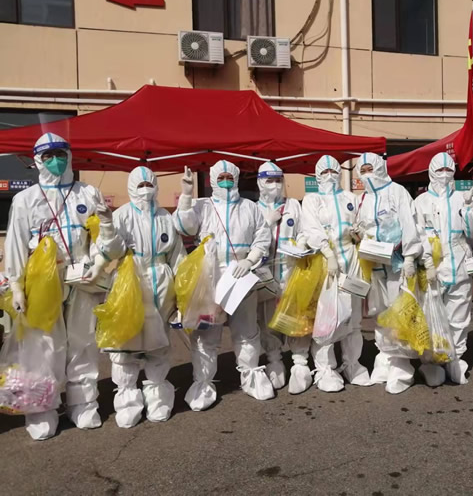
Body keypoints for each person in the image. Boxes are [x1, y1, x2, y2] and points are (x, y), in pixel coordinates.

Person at [6, 132, 114, 440]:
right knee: (44, 347)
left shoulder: (88, 193)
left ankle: (83, 404)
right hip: (43, 283)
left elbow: (102, 237)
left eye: (61, 154)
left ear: (70, 156)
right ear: (37, 160)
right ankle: (42, 409)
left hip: (82, 280)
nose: (56, 161)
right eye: (48, 155)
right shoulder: (25, 200)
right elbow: (15, 243)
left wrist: (99, 263)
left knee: (83, 343)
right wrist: (16, 284)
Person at [174, 161, 274, 409]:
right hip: (210, 277)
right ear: (212, 179)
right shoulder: (202, 205)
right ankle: (203, 384)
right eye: (222, 177)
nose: (226, 181)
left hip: (242, 276)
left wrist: (250, 260)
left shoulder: (249, 207)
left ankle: (251, 377)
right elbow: (184, 226)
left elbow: (262, 237)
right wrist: (186, 195)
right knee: (206, 333)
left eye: (230, 177)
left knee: (247, 330)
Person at [98, 167, 185, 428]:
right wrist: (106, 225)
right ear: (131, 187)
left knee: (159, 344)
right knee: (126, 346)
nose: (146, 189)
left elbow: (178, 256)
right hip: (130, 282)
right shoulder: (122, 215)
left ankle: (158, 399)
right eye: (140, 185)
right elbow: (111, 253)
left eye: (150, 184)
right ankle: (128, 402)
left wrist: (182, 293)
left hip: (161, 281)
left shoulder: (165, 217)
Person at [300, 155, 371, 392]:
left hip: (352, 260)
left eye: (334, 171)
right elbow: (311, 229)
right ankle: (325, 369)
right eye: (325, 172)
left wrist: (359, 234)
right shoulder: (312, 200)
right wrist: (328, 253)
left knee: (353, 316)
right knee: (327, 318)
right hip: (326, 262)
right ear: (317, 175)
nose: (330, 176)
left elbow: (361, 224)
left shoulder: (350, 198)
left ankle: (352, 363)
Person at [354, 152, 422, 394]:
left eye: (370, 168)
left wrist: (410, 256)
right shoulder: (363, 198)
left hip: (397, 265)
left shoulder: (397, 192)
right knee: (380, 313)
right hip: (374, 264)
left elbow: (410, 225)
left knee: (399, 313)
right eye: (362, 170)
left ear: (381, 167)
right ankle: (385, 358)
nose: (367, 174)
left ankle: (402, 367)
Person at [414, 153, 473, 386]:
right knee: (431, 316)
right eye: (439, 170)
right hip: (432, 268)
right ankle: (430, 362)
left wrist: (471, 209)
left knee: (459, 316)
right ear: (431, 172)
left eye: (449, 170)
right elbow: (417, 235)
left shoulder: (462, 199)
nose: (444, 175)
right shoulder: (421, 202)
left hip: (459, 264)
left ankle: (455, 357)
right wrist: (427, 261)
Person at [255, 161, 312, 394]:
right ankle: (274, 360)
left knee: (296, 320)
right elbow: (250, 241)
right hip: (265, 276)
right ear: (260, 182)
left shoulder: (293, 205)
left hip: (292, 273)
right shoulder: (253, 209)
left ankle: (300, 363)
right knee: (267, 320)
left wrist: (302, 243)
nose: (275, 185)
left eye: (278, 180)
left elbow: (304, 230)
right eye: (269, 180)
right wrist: (266, 224)